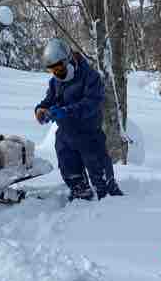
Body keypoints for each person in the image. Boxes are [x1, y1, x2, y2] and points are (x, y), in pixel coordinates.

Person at [34, 37, 123, 201]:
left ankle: (110, 199)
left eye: (59, 67)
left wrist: (65, 111)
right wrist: (41, 110)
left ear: (69, 59)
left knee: (100, 176)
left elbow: (91, 104)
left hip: (88, 133)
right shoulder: (56, 82)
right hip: (66, 135)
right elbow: (49, 100)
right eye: (52, 69)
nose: (57, 72)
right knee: (69, 169)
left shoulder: (91, 77)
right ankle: (80, 191)